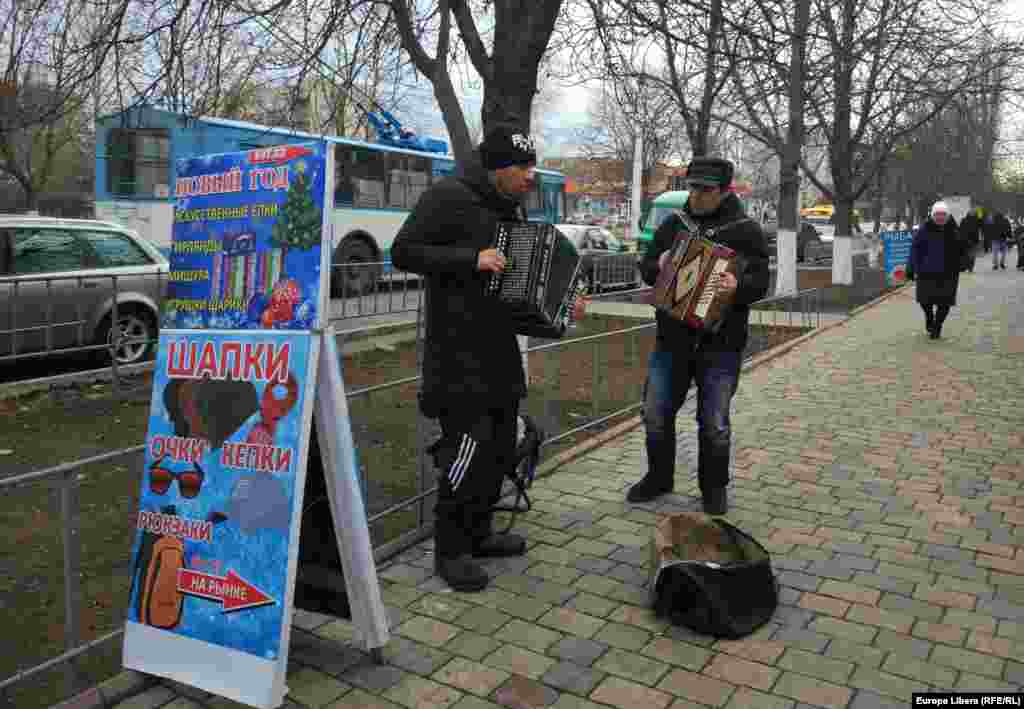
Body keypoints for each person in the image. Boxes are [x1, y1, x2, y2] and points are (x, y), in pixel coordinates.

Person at [390, 127, 585, 592]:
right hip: (456, 353)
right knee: (466, 452)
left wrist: (562, 305)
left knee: (498, 448)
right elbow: (402, 252)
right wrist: (469, 259)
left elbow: (523, 281)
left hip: (498, 350)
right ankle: (450, 549)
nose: (530, 177)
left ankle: (478, 534)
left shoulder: (508, 208)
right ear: (498, 168)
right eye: (523, 169)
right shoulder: (447, 196)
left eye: (531, 168)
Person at [626, 157, 770, 514]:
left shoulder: (746, 230)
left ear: (724, 190)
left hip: (721, 344)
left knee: (714, 422)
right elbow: (645, 266)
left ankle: (714, 488)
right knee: (656, 412)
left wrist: (738, 286)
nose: (697, 195)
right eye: (692, 187)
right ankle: (659, 477)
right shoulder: (674, 224)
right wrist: (654, 266)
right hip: (671, 340)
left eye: (706, 189)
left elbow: (760, 284)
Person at [907, 201, 965, 340]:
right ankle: (929, 318)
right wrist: (911, 267)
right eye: (937, 214)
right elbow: (915, 249)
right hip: (926, 272)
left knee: (945, 302)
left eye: (943, 214)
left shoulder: (954, 230)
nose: (940, 217)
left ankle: (937, 326)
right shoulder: (924, 229)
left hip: (949, 273)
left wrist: (963, 262)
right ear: (932, 215)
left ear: (947, 215)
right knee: (924, 300)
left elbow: (963, 249)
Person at [958, 206, 982, 273]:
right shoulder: (977, 220)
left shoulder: (964, 220)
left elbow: (960, 230)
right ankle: (969, 267)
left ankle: (966, 267)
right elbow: (981, 223)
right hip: (973, 240)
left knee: (967, 254)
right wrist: (979, 212)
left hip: (966, 240)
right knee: (971, 255)